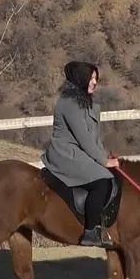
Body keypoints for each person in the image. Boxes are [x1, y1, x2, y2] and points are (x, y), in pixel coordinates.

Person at [41, 61, 119, 248]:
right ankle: (90, 231)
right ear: (81, 78)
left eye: (95, 79)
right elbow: (84, 138)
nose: (94, 82)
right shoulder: (69, 104)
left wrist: (106, 156)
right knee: (102, 181)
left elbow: (94, 139)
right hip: (66, 155)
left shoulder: (87, 103)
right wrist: (103, 162)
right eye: (91, 78)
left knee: (111, 175)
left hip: (80, 153)